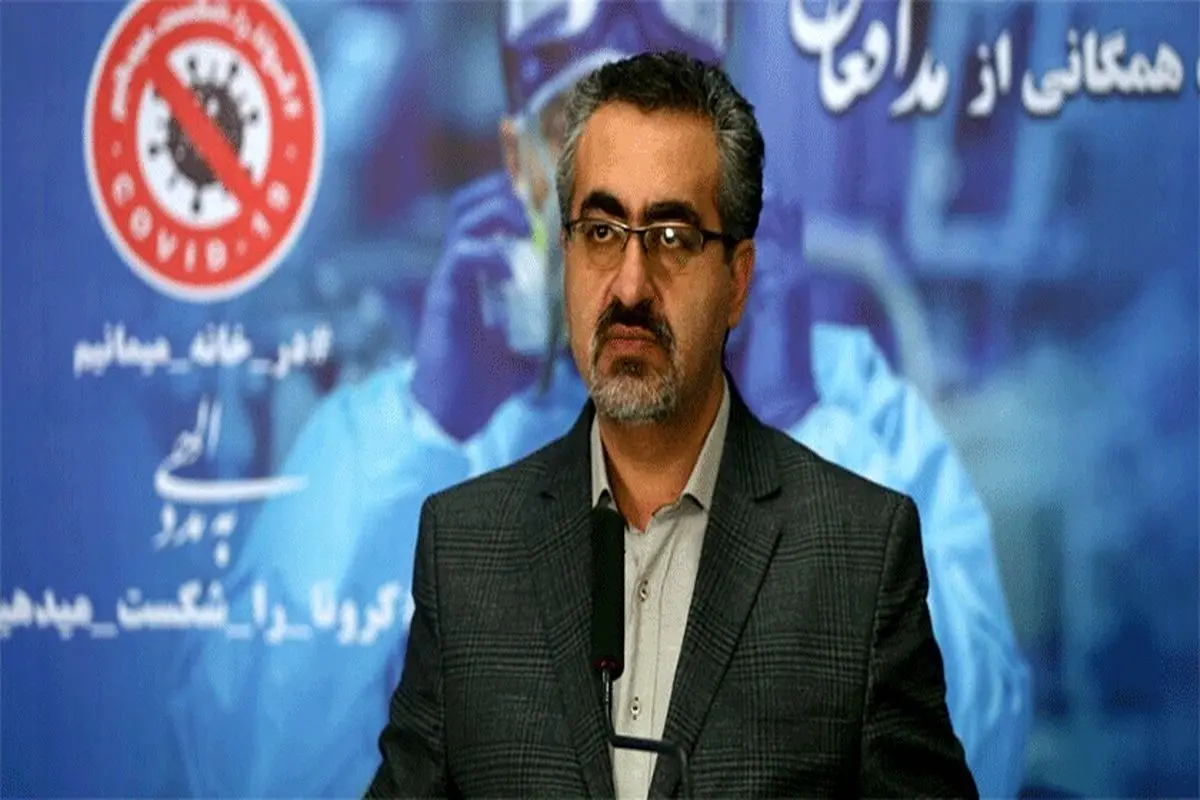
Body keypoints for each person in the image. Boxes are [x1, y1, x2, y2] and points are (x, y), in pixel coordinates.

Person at [175, 3, 1029, 797]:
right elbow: (254, 773)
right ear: (520, 170)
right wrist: (424, 427)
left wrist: (796, 427)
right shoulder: (393, 445)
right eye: (577, 146)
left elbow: (975, 759)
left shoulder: (848, 409)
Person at [365, 50, 977, 797]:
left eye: (672, 238)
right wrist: (429, 418)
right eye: (600, 232)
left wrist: (795, 412)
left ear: (739, 281)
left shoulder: (860, 551)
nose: (629, 287)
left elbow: (989, 737)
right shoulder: (465, 549)